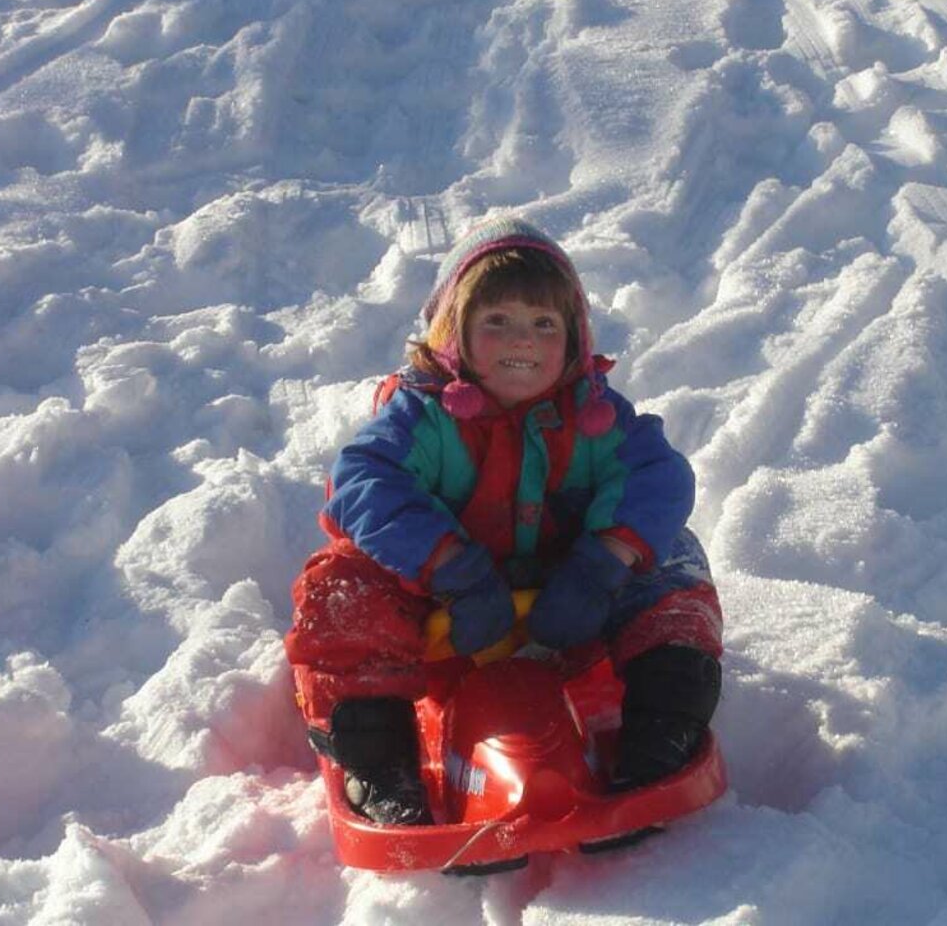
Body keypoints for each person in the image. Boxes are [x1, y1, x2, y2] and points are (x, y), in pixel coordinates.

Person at [285, 216, 723, 825]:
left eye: (545, 324)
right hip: (444, 604)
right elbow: (361, 483)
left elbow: (659, 475)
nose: (524, 341)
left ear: (573, 340)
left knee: (672, 552)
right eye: (498, 322)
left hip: (569, 596)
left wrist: (602, 565)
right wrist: (448, 567)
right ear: (452, 335)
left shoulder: (593, 415)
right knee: (342, 580)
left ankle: (664, 715)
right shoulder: (423, 416)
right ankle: (378, 755)